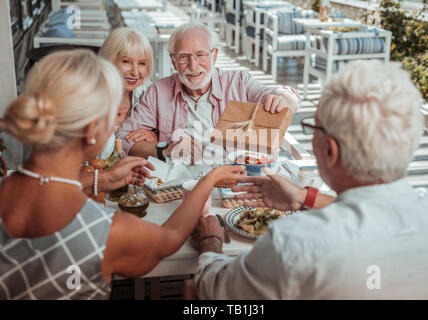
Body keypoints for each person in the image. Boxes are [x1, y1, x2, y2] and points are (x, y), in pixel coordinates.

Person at [190, 60, 428, 299]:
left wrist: (210, 241)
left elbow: (213, 291)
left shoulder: (293, 243)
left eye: (313, 128)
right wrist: (306, 197)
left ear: (330, 150)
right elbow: (378, 212)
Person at [0, 50, 245, 300]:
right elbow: (168, 239)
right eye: (113, 116)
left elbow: (46, 188)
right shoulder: (102, 231)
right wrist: (209, 180)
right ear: (91, 130)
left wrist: (103, 179)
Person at [115, 22, 302, 162]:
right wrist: (165, 149)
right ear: (173, 61)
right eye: (184, 57)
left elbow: (285, 95)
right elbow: (122, 138)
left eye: (201, 55)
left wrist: (284, 98)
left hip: (233, 177)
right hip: (178, 182)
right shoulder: (159, 91)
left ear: (214, 55)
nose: (193, 66)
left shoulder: (238, 82)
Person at [98, 27, 155, 160]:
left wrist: (154, 134)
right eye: (126, 62)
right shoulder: (88, 98)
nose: (135, 72)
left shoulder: (148, 95)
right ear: (109, 61)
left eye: (142, 63)